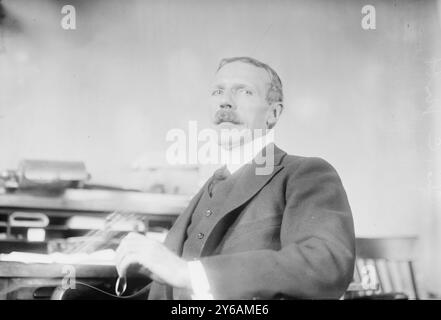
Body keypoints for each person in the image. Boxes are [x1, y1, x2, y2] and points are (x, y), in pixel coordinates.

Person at [115, 56, 355, 299]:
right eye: (218, 91)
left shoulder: (305, 173)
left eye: (244, 92)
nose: (225, 103)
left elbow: (326, 264)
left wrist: (189, 274)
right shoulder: (209, 186)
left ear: (272, 113)